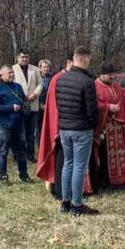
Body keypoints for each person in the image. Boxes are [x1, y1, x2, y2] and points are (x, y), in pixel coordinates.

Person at [56, 47, 99, 216]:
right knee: (80, 167)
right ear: (86, 59)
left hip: (64, 128)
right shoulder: (87, 81)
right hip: (81, 129)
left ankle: (65, 203)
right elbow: (92, 110)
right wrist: (93, 124)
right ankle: (77, 205)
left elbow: (59, 104)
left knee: (68, 164)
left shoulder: (61, 79)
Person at [90, 63, 125, 193]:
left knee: (119, 155)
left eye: (113, 74)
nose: (112, 77)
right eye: (109, 75)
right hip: (104, 127)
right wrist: (107, 107)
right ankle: (106, 182)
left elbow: (121, 100)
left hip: (117, 127)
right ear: (102, 75)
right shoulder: (95, 85)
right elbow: (94, 104)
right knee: (105, 156)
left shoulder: (115, 85)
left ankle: (121, 181)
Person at [37, 53, 75, 199]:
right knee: (61, 157)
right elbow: (54, 106)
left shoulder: (69, 77)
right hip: (61, 126)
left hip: (71, 125)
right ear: (69, 62)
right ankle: (58, 188)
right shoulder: (58, 79)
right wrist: (57, 127)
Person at [0, 65, 31, 184]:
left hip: (18, 124)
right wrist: (11, 107)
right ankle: (3, 176)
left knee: (21, 150)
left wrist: (24, 110)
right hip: (4, 125)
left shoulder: (17, 86)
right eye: (9, 73)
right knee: (3, 151)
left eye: (12, 72)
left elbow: (23, 101)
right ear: (2, 75)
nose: (11, 75)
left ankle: (23, 175)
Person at [12, 50, 44, 162]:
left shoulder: (35, 69)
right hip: (19, 105)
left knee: (31, 133)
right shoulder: (13, 69)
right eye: (22, 57)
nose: (24, 59)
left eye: (26, 57)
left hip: (33, 104)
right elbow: (11, 85)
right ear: (17, 57)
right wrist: (21, 96)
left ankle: (30, 155)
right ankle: (18, 155)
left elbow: (41, 84)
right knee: (19, 132)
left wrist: (35, 94)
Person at [37, 59, 53, 140]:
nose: (46, 69)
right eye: (44, 67)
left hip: (50, 105)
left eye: (47, 67)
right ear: (40, 68)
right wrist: (41, 104)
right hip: (39, 106)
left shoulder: (53, 78)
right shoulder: (37, 78)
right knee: (39, 128)